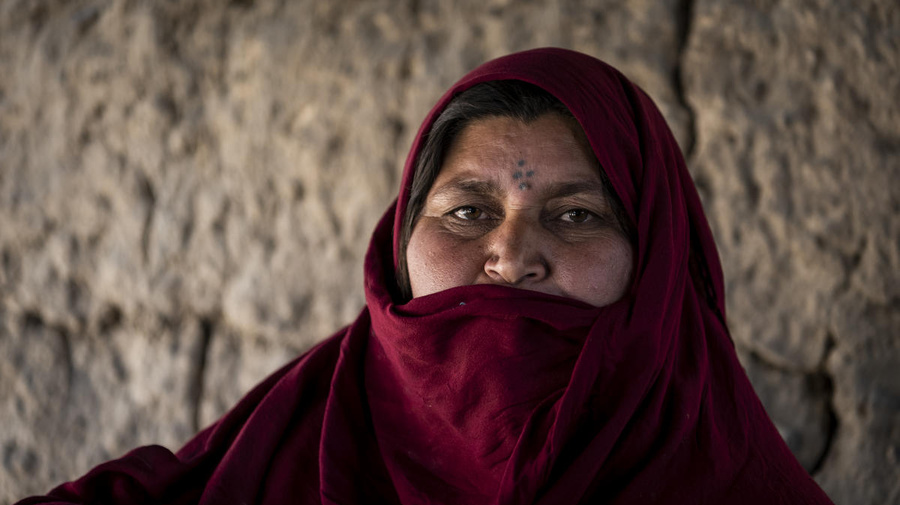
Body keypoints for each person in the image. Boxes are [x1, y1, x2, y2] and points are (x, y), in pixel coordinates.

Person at [18, 48, 832, 504]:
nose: (512, 258)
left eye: (577, 215)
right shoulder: (292, 449)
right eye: (467, 212)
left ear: (653, 266)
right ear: (397, 250)